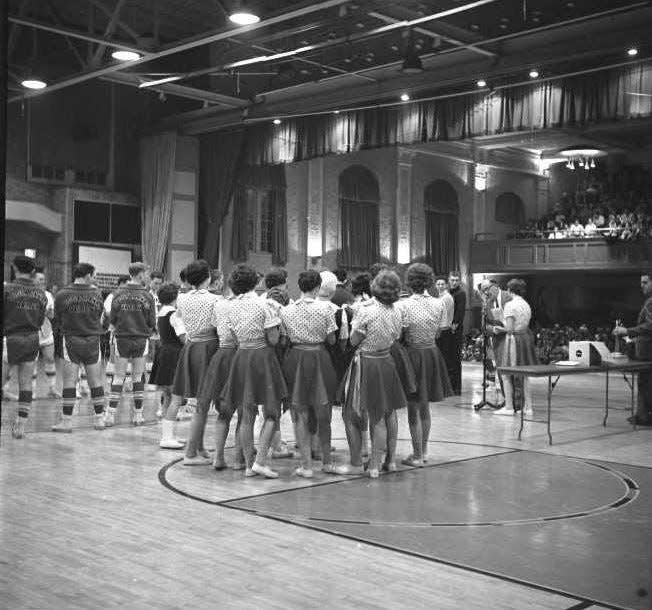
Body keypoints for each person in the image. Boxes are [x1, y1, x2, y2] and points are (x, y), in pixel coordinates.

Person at [337, 270, 407, 478]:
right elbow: (397, 336)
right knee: (384, 413)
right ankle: (382, 463)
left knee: (352, 413)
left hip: (366, 363)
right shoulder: (397, 310)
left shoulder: (366, 310)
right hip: (386, 361)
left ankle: (362, 463)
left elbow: (353, 340)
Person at [220, 264, 287, 478]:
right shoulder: (264, 305)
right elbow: (274, 339)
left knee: (246, 413)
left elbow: (231, 334)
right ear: (256, 282)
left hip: (241, 355)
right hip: (262, 356)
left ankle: (249, 465)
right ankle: (260, 461)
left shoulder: (229, 306)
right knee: (271, 413)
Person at [281, 270, 338, 477]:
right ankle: (327, 462)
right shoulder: (326, 309)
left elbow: (284, 339)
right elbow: (331, 339)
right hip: (319, 357)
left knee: (300, 413)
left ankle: (305, 465)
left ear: (299, 286)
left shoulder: (287, 310)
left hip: (295, 358)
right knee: (324, 413)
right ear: (317, 288)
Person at [160, 260, 219, 451]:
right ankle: (196, 448)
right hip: (208, 347)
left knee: (178, 395)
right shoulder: (215, 300)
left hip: (190, 347)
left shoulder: (182, 299)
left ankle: (168, 436)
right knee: (202, 401)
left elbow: (178, 320)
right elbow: (219, 326)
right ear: (208, 277)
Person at [400, 263, 453, 466]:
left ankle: (416, 454)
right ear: (429, 281)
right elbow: (442, 330)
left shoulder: (403, 305)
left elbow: (400, 334)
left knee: (413, 406)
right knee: (425, 407)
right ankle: (424, 451)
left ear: (410, 282)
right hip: (431, 352)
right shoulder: (439, 303)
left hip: (413, 354)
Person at [52, 263, 108, 432]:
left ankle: (66, 422)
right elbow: (102, 316)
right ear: (88, 276)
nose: (95, 278)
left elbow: (58, 318)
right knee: (95, 381)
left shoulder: (62, 294)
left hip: (71, 340)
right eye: (94, 275)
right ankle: (99, 420)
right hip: (92, 340)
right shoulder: (97, 293)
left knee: (69, 381)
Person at [2, 255, 48, 439]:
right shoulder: (41, 293)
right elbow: (40, 320)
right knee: (26, 383)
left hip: (9, 339)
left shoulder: (7, 290)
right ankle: (20, 425)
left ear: (14, 268)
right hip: (31, 339)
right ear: (32, 271)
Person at [107, 262, 157, 426]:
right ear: (141, 275)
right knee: (137, 377)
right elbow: (152, 321)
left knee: (118, 377)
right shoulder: (148, 295)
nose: (148, 277)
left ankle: (110, 415)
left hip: (122, 339)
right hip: (141, 339)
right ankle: (137, 415)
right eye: (146, 273)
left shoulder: (118, 293)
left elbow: (112, 319)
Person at [491, 279, 538, 414]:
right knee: (525, 375)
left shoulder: (510, 305)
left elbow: (510, 329)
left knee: (506, 373)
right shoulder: (526, 304)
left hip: (513, 341)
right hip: (525, 338)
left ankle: (509, 407)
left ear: (510, 290)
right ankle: (528, 407)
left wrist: (499, 328)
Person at [613, 272, 652, 425]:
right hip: (647, 351)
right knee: (645, 385)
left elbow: (650, 325)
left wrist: (627, 331)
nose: (641, 285)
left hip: (648, 353)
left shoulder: (650, 302)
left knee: (645, 385)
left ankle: (643, 416)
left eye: (645, 282)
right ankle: (643, 415)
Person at [149, 282, 186, 439]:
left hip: (164, 352)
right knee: (176, 396)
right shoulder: (174, 315)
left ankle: (167, 434)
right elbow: (183, 338)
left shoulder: (161, 312)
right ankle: (167, 436)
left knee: (167, 395)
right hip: (174, 354)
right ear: (175, 297)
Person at [33, 266, 59, 398]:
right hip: (31, 331)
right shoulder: (28, 292)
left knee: (50, 358)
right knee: (31, 361)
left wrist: (49, 312)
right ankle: (31, 391)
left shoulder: (48, 295)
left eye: (44, 279)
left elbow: (52, 316)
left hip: (46, 331)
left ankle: (52, 389)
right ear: (33, 279)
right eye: (40, 279)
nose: (43, 281)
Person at [433, 277, 456, 390]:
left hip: (444, 330)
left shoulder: (446, 298)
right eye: (438, 284)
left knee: (443, 358)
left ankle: (444, 385)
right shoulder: (440, 297)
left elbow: (441, 317)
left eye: (442, 284)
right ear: (435, 285)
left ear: (446, 285)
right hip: (441, 330)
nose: (440, 286)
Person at [448, 270, 466, 395]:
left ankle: (456, 388)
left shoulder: (461, 293)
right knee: (449, 359)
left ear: (459, 281)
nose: (454, 282)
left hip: (455, 329)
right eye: (452, 280)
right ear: (449, 280)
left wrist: (454, 326)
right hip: (448, 329)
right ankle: (449, 386)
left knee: (455, 358)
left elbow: (460, 312)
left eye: (456, 280)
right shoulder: (448, 292)